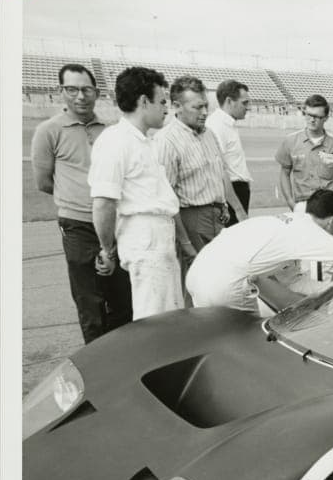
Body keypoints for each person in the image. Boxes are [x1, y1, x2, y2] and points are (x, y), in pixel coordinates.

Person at [30, 62, 132, 343]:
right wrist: (78, 201)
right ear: (60, 91)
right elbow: (43, 182)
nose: (80, 96)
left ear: (96, 92)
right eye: (72, 89)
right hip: (78, 226)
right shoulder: (49, 130)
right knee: (90, 302)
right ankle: (96, 360)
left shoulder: (109, 131)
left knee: (123, 298)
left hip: (113, 223)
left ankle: (122, 355)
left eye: (86, 89)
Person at [88, 66, 185, 320]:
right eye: (161, 101)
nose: (166, 108)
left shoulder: (144, 141)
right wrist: (106, 249)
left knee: (170, 316)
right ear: (143, 102)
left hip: (159, 238)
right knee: (153, 319)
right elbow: (103, 203)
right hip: (145, 241)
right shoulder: (115, 141)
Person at [185, 189, 333, 314]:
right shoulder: (310, 231)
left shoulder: (286, 222)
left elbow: (291, 281)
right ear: (331, 221)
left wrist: (327, 288)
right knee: (248, 341)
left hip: (198, 273)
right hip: (226, 285)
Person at [154, 75, 247, 284]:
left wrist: (238, 211)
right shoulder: (166, 141)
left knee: (220, 282)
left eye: (206, 106)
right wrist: (186, 243)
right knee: (197, 284)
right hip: (191, 221)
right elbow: (166, 199)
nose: (205, 112)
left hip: (218, 218)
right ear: (177, 106)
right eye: (197, 107)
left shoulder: (209, 134)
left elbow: (221, 174)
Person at [275, 94, 333, 211]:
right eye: (309, 115)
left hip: (329, 205)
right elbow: (284, 173)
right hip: (302, 204)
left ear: (326, 118)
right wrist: (291, 202)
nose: (312, 120)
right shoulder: (290, 141)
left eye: (317, 117)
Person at [206, 79, 253, 220]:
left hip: (237, 192)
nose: (249, 107)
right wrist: (238, 209)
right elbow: (219, 172)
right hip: (230, 196)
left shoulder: (228, 124)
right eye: (244, 103)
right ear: (229, 101)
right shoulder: (217, 126)